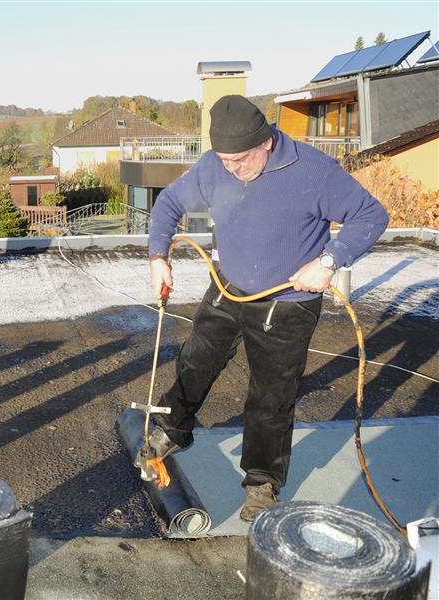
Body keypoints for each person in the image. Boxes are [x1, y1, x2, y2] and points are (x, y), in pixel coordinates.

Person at [140, 95, 389, 523]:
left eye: (240, 159)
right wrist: (157, 256)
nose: (232, 168)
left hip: (287, 302)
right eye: (224, 159)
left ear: (267, 143)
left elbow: (371, 215)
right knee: (194, 362)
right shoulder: (215, 165)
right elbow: (168, 204)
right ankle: (172, 431)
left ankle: (262, 482)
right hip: (229, 285)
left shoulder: (313, 172)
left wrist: (328, 261)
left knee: (270, 397)